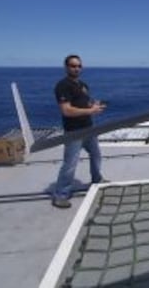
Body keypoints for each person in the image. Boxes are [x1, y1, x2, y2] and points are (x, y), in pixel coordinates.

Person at [52, 54, 108, 208]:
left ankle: (97, 180)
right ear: (66, 67)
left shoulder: (82, 85)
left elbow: (84, 102)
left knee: (96, 155)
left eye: (78, 66)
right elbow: (67, 110)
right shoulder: (62, 86)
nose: (76, 68)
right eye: (73, 66)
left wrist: (93, 104)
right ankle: (60, 195)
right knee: (70, 164)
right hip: (74, 131)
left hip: (88, 128)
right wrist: (91, 111)